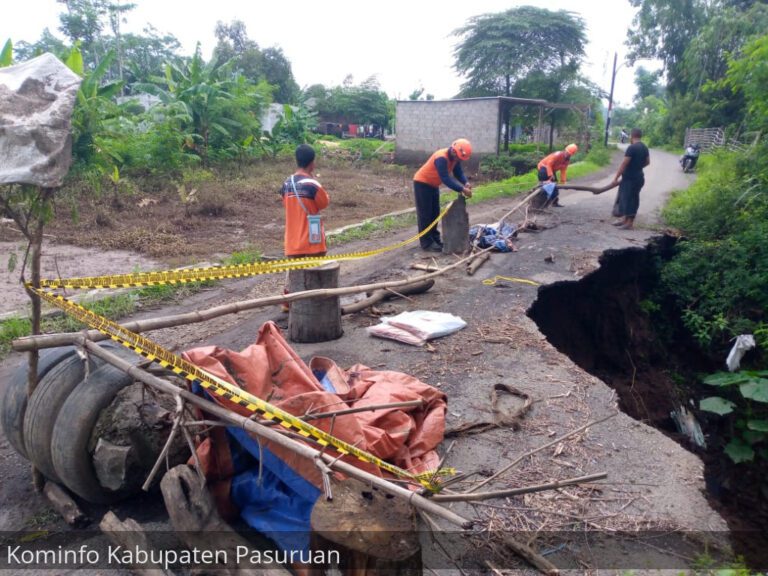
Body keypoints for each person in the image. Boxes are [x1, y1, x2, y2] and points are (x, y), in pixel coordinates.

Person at [278, 144, 330, 310]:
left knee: (293, 272)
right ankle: (313, 302)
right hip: (311, 238)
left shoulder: (287, 183)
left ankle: (288, 301)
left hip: (292, 239)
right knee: (314, 271)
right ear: (312, 163)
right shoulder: (312, 184)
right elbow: (324, 203)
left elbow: (285, 203)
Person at [412, 138, 473, 252]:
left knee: (435, 213)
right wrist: (462, 189)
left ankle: (435, 239)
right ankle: (427, 243)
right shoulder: (441, 157)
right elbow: (445, 178)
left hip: (433, 185)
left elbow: (458, 172)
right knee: (425, 214)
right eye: (459, 158)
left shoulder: (455, 158)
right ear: (454, 151)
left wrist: (466, 182)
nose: (459, 160)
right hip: (422, 183)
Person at [611, 128, 650, 230]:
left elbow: (624, 163)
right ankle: (625, 220)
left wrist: (616, 177)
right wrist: (637, 167)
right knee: (627, 198)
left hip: (630, 179)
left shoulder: (632, 148)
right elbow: (647, 162)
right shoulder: (644, 147)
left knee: (631, 199)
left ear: (632, 136)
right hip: (638, 177)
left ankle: (630, 223)